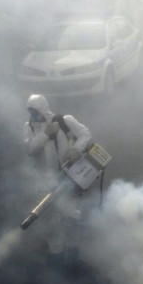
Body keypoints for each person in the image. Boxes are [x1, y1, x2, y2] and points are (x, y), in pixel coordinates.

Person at [23, 94, 92, 262]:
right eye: (30, 112)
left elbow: (85, 134)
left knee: (71, 211)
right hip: (45, 179)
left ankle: (76, 250)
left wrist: (77, 149)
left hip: (68, 174)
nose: (33, 116)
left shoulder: (64, 121)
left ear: (43, 109)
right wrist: (45, 134)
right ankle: (57, 253)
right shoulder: (29, 127)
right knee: (51, 217)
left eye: (35, 111)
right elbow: (30, 149)